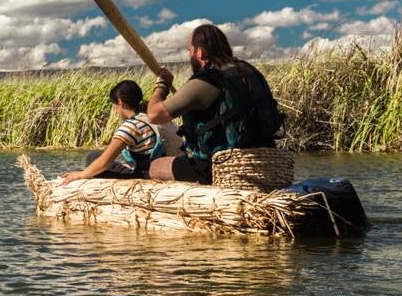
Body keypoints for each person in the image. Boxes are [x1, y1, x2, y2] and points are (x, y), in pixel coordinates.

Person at [145, 24, 283, 184]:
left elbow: (154, 115)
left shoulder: (208, 79)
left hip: (222, 166)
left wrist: (162, 85)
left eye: (190, 51)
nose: (190, 55)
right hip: (266, 158)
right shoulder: (249, 70)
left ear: (200, 52)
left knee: (155, 166)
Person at [60, 80, 167, 184]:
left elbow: (104, 163)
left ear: (120, 102)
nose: (115, 109)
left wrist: (80, 175)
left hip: (145, 176)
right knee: (96, 158)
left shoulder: (130, 126)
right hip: (158, 169)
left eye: (114, 105)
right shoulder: (149, 117)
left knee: (92, 158)